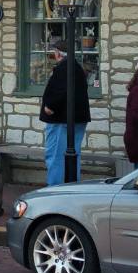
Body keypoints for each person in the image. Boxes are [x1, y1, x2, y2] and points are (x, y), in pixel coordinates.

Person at [39, 46, 91, 185]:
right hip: (77, 119)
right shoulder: (77, 67)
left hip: (61, 120)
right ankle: (72, 186)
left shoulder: (64, 68)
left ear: (58, 54)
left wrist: (50, 105)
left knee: (56, 157)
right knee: (73, 156)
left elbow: (60, 91)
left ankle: (55, 189)